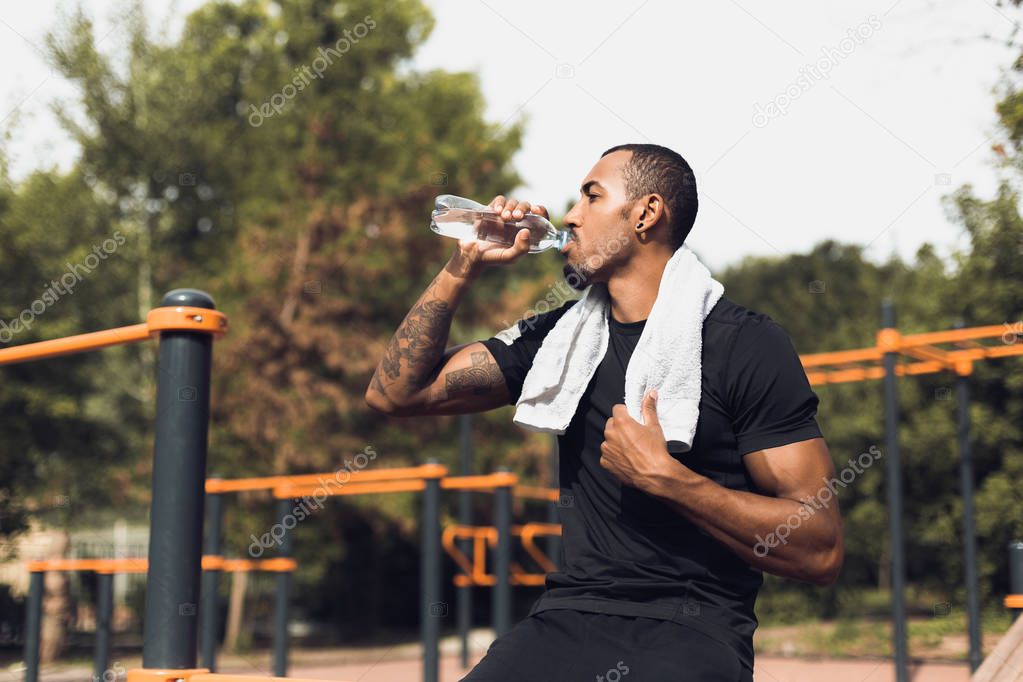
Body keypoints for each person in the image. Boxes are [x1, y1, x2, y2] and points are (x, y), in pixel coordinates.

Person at [365, 143, 844, 681]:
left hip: (691, 631)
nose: (570, 214)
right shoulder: (558, 344)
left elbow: (819, 546)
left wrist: (670, 480)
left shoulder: (745, 344)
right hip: (564, 619)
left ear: (645, 213)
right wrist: (463, 263)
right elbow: (395, 393)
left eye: (592, 195)